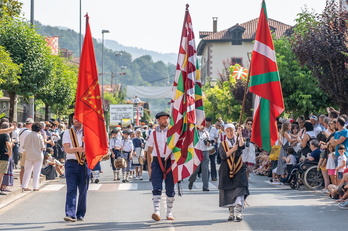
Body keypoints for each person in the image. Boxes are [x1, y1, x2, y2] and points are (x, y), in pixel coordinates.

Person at [147, 111, 175, 221]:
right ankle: (157, 212)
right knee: (156, 187)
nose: (165, 120)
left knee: (170, 189)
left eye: (167, 118)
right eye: (163, 118)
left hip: (170, 161)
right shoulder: (153, 133)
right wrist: (149, 167)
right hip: (157, 162)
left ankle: (169, 212)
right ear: (158, 120)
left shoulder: (172, 133)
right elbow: (149, 151)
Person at [218, 124, 248, 222]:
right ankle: (231, 213)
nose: (230, 133)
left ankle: (238, 213)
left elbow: (242, 147)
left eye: (232, 131)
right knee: (228, 191)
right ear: (225, 132)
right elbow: (223, 156)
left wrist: (240, 134)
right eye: (228, 131)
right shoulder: (222, 144)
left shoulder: (238, 140)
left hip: (239, 168)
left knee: (240, 188)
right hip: (226, 169)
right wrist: (232, 149)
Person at [62, 115, 89, 222]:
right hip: (71, 163)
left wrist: (86, 142)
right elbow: (67, 149)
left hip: (84, 163)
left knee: (83, 190)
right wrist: (78, 149)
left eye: (78, 118)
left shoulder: (88, 133)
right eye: (74, 119)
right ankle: (70, 214)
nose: (76, 120)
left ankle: (80, 214)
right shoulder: (68, 132)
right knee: (71, 189)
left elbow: (92, 149)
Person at [21, 122, 45, 191]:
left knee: (27, 171)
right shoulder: (39, 136)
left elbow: (24, 146)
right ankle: (35, 187)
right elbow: (42, 147)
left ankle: (24, 185)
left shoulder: (28, 135)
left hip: (28, 155)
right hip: (38, 155)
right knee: (36, 171)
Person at [188, 125, 211, 191]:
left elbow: (209, 143)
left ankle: (205, 186)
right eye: (201, 125)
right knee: (195, 170)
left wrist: (208, 143)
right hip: (196, 152)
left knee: (205, 170)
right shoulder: (194, 133)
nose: (203, 126)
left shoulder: (206, 133)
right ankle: (191, 181)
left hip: (205, 152)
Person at [18, 118, 33, 185]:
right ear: (31, 124)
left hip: (21, 150)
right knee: (26, 169)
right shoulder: (29, 132)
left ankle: (22, 183)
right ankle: (24, 184)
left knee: (22, 168)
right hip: (26, 151)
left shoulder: (21, 130)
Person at [0, 122, 12, 195]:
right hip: (3, 156)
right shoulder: (5, 135)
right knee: (1, 174)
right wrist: (10, 152)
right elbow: (7, 144)